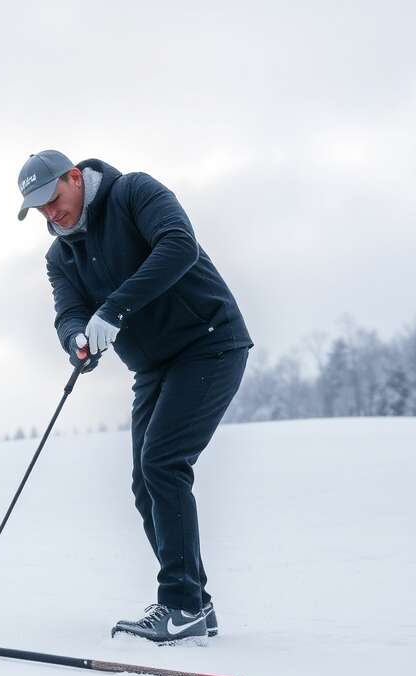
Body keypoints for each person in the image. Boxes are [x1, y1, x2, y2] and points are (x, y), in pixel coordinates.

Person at [17, 150, 253, 644]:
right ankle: (196, 606)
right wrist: (78, 339)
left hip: (210, 342)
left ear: (76, 178)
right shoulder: (60, 256)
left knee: (163, 462)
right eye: (39, 209)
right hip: (153, 367)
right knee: (145, 482)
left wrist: (115, 309)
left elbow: (178, 246)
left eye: (53, 199)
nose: (50, 213)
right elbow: (68, 312)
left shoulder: (135, 193)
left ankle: (181, 605)